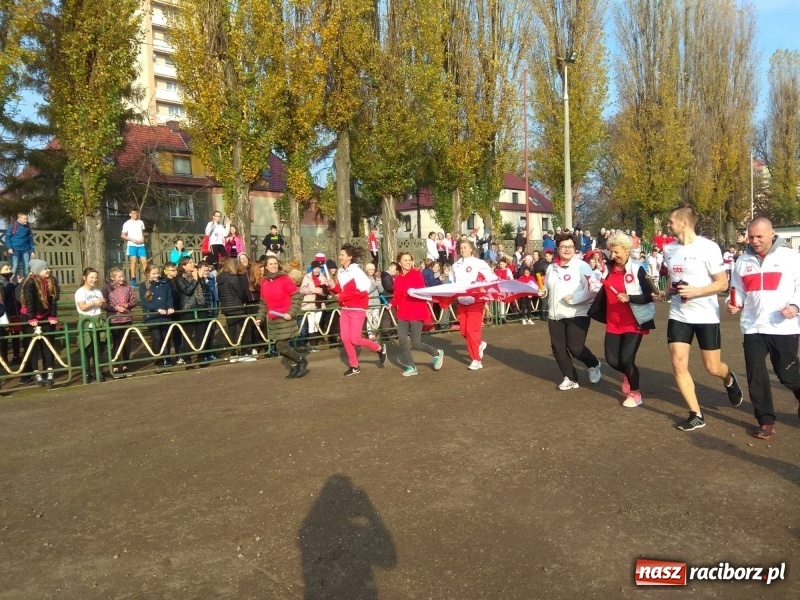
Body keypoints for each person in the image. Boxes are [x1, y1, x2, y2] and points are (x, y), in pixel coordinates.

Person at [660, 205, 743, 431]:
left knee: (712, 367)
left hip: (705, 315)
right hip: (679, 314)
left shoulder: (709, 248)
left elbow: (722, 283)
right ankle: (696, 414)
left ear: (684, 223)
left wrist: (695, 292)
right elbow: (674, 279)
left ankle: (729, 379)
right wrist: (665, 292)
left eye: (671, 221)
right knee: (678, 363)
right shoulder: (668, 249)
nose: (668, 225)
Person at [727, 217, 800, 440]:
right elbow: (736, 288)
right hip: (753, 327)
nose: (755, 241)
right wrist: (734, 303)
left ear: (772, 233)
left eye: (759, 236)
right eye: (751, 236)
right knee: (756, 376)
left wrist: (796, 306)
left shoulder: (790, 257)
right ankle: (766, 420)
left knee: (787, 374)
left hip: (783, 327)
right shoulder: (742, 261)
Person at [588, 232, 655, 407]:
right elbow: (596, 284)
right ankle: (626, 374)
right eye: (612, 252)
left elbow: (651, 295)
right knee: (611, 360)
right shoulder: (606, 269)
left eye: (617, 252)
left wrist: (630, 297)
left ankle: (635, 393)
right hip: (613, 321)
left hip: (634, 321)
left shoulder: (638, 268)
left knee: (627, 360)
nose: (614, 255)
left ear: (627, 251)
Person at [542, 233, 602, 390]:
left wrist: (575, 297)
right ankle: (570, 378)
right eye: (563, 247)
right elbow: (548, 287)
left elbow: (593, 289)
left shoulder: (583, 266)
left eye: (570, 246)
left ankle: (593, 364)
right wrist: (543, 291)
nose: (566, 250)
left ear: (575, 248)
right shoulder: (551, 268)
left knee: (576, 348)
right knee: (558, 348)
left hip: (577, 313)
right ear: (557, 249)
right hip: (555, 314)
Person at [328, 244, 387, 376]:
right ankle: (354, 366)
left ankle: (379, 348)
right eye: (340, 254)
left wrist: (343, 295)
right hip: (345, 308)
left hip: (357, 309)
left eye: (342, 255)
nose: (340, 257)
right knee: (345, 339)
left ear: (349, 257)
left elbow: (363, 292)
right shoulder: (341, 271)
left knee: (355, 339)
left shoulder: (357, 272)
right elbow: (341, 291)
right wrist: (333, 287)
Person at [391, 251, 444, 376]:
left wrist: (410, 292)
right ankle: (411, 367)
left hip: (416, 312)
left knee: (416, 343)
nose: (408, 262)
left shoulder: (417, 275)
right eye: (405, 260)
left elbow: (421, 292)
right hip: (402, 314)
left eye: (409, 260)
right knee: (402, 342)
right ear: (399, 263)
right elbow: (396, 295)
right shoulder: (398, 278)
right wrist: (391, 304)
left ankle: (436, 353)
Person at [256, 256, 308, 378]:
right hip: (273, 321)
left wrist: (291, 313)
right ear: (266, 267)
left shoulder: (285, 280)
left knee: (281, 346)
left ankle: (301, 361)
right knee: (281, 347)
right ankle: (295, 366)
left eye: (275, 263)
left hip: (285, 318)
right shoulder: (264, 282)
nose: (274, 266)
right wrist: (260, 317)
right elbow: (263, 304)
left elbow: (297, 297)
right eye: (271, 264)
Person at [450, 239, 497, 370]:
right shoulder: (456, 265)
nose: (463, 250)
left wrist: (481, 287)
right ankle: (480, 344)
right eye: (461, 248)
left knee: (472, 331)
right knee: (464, 331)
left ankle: (476, 359)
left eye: (466, 247)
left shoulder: (479, 263)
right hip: (461, 301)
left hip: (475, 301)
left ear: (471, 249)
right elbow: (452, 282)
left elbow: (491, 278)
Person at [19, 259, 60, 387]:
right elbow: (30, 301)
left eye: (48, 268)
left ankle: (49, 371)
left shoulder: (51, 281)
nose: (48, 270)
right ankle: (36, 372)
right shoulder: (30, 282)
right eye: (45, 269)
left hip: (45, 315)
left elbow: (54, 300)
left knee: (48, 344)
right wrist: (32, 318)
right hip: (30, 315)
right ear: (37, 271)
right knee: (33, 345)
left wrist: (53, 315)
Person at [102, 266, 137, 376]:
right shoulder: (107, 288)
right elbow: (104, 304)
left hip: (126, 318)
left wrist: (128, 305)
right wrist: (115, 308)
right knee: (117, 342)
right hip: (114, 319)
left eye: (123, 276)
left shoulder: (128, 287)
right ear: (112, 278)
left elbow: (133, 300)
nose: (122, 278)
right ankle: (116, 365)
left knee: (126, 342)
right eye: (119, 277)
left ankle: (126, 365)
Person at [140, 263, 175, 370]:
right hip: (152, 316)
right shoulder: (143, 286)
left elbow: (169, 296)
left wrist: (170, 307)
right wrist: (156, 309)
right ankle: (158, 360)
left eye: (157, 273)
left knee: (166, 338)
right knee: (157, 338)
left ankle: (167, 358)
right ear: (147, 274)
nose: (156, 275)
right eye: (153, 274)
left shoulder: (165, 283)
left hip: (165, 315)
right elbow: (145, 302)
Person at [74, 267, 107, 382]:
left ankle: (99, 372)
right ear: (85, 278)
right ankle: (87, 373)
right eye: (91, 277)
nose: (94, 280)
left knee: (98, 349)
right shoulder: (80, 292)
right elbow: (82, 306)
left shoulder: (97, 292)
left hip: (97, 320)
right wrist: (94, 302)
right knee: (87, 348)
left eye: (96, 277)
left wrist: (102, 302)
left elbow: (103, 307)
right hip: (86, 321)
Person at [0, 260, 22, 365]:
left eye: (10, 269)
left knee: (16, 336)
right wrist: (12, 284)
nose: (9, 271)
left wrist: (17, 284)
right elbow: (4, 295)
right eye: (6, 269)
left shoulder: (10, 282)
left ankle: (16, 356)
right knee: (3, 338)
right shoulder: (2, 283)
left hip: (15, 312)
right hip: (4, 314)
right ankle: (3, 359)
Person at [6, 212, 36, 281]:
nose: (26, 220)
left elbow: (30, 239)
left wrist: (32, 251)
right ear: (19, 218)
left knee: (26, 267)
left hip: (25, 249)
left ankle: (26, 282)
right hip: (15, 249)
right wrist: (9, 247)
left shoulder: (27, 227)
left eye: (27, 219)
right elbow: (7, 237)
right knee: (15, 266)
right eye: (24, 219)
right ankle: (11, 282)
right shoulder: (13, 226)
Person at [121, 209, 147, 286]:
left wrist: (142, 238)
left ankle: (147, 279)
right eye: (134, 213)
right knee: (134, 262)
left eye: (136, 213)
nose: (136, 214)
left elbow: (142, 233)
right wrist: (132, 240)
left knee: (144, 262)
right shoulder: (127, 224)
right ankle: (133, 280)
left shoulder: (140, 222)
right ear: (130, 214)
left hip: (141, 245)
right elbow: (122, 235)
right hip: (132, 245)